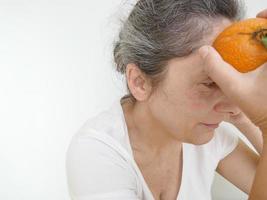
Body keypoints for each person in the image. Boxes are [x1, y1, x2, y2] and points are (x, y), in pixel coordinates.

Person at [65, 0, 267, 199]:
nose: (232, 103)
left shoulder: (210, 135)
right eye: (210, 83)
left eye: (228, 78)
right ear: (140, 82)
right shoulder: (96, 152)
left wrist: (243, 114)